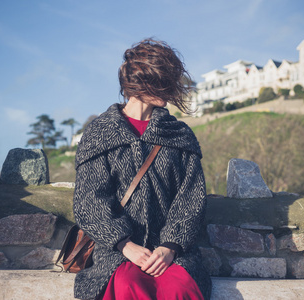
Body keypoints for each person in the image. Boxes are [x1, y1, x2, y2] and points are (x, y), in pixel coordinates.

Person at [73, 38, 211, 300]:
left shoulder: (179, 135)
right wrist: (125, 245)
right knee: (127, 285)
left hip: (173, 253)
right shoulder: (100, 134)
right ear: (141, 82)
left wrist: (170, 247)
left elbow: (191, 199)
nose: (171, 88)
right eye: (163, 80)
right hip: (117, 252)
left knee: (179, 287)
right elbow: (89, 201)